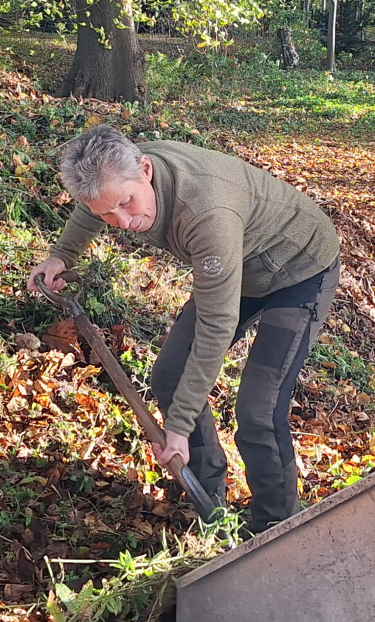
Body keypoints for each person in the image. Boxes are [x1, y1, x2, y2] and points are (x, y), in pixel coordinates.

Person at [28, 125, 340, 532]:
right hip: (237, 268)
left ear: (145, 170)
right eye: (108, 213)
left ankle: (277, 528)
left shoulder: (206, 211)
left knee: (258, 409)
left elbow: (216, 323)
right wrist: (60, 257)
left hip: (299, 269)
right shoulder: (117, 175)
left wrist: (177, 427)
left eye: (127, 204)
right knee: (171, 377)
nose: (122, 221)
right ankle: (207, 501)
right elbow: (93, 206)